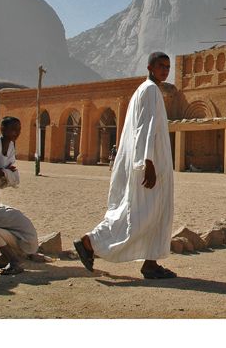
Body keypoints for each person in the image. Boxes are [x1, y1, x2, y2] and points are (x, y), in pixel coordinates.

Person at [74, 52, 176, 280]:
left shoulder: (148, 90)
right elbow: (144, 128)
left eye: (168, 67)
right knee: (139, 215)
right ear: (150, 66)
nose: (165, 70)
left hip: (155, 163)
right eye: (161, 66)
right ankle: (90, 242)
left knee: (156, 213)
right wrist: (147, 162)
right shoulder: (149, 90)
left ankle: (150, 263)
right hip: (151, 165)